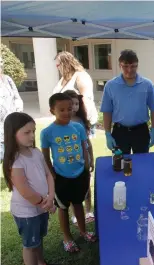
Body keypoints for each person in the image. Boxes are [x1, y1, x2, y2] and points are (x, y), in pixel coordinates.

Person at [41, 93, 96, 253]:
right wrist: (52, 174)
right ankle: (67, 237)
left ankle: (83, 231)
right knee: (63, 208)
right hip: (61, 177)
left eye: (69, 109)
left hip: (80, 175)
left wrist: (86, 166)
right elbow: (45, 156)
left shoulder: (78, 127)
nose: (67, 112)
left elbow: (84, 147)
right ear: (52, 111)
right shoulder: (47, 132)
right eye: (62, 109)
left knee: (78, 204)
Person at [2, 112, 56, 265]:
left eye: (33, 131)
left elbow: (48, 175)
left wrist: (51, 196)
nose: (32, 136)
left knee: (38, 239)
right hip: (26, 212)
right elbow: (25, 190)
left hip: (42, 206)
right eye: (26, 132)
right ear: (12, 134)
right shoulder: (15, 161)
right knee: (30, 246)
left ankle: (40, 261)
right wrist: (46, 204)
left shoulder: (36, 152)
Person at [101, 50, 154, 154]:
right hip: (120, 132)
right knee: (120, 165)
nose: (129, 70)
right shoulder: (111, 85)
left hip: (141, 131)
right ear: (120, 65)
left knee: (142, 164)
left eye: (133, 66)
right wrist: (107, 133)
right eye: (125, 66)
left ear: (137, 65)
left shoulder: (147, 85)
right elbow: (107, 111)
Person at [63, 90, 95, 224]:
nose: (74, 107)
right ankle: (75, 214)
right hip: (69, 162)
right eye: (71, 104)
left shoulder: (81, 121)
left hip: (84, 160)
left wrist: (91, 158)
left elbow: (87, 142)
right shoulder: (62, 122)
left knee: (86, 187)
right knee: (72, 190)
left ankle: (89, 211)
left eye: (77, 104)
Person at [53, 51, 98, 138]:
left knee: (82, 147)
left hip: (80, 121)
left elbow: (86, 99)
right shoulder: (64, 78)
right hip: (66, 120)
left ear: (66, 63)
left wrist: (85, 121)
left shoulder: (80, 76)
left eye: (58, 65)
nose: (57, 68)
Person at [0, 56, 24, 162]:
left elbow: (17, 98)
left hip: (12, 126)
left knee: (14, 159)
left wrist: (17, 113)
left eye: (1, 61)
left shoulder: (7, 79)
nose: (1, 64)